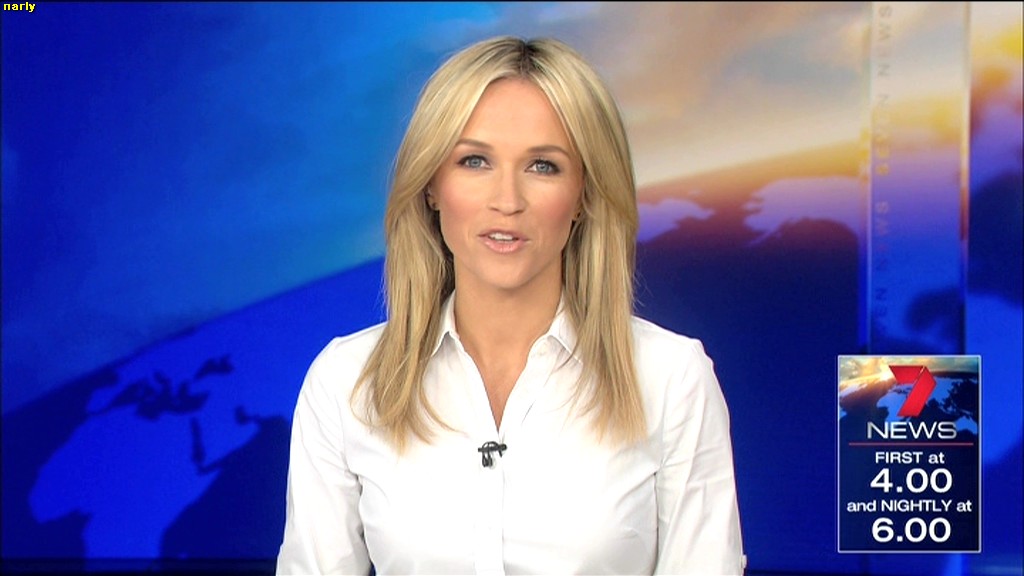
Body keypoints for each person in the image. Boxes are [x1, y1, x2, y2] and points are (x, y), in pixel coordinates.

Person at [277, 35, 745, 575]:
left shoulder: (670, 378)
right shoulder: (347, 382)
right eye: (474, 161)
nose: (507, 200)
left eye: (543, 166)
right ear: (431, 185)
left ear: (584, 194)